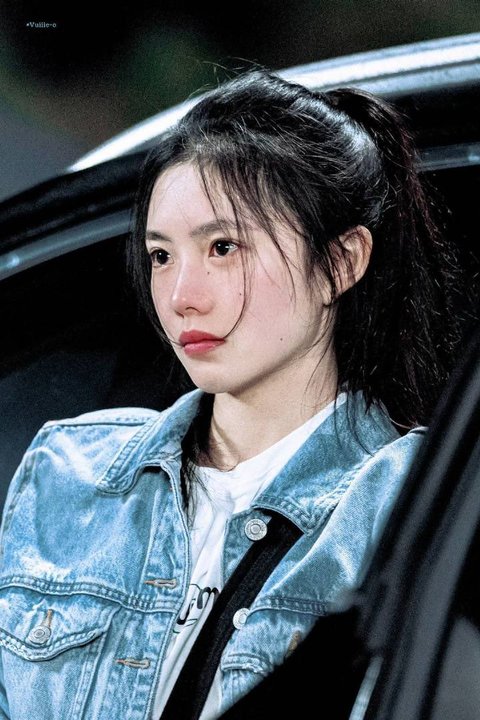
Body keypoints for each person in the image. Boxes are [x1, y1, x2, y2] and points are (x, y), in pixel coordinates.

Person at [0, 70, 460, 720]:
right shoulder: (69, 475)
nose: (181, 296)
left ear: (341, 262)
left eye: (223, 247)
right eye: (161, 256)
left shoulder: (417, 508)